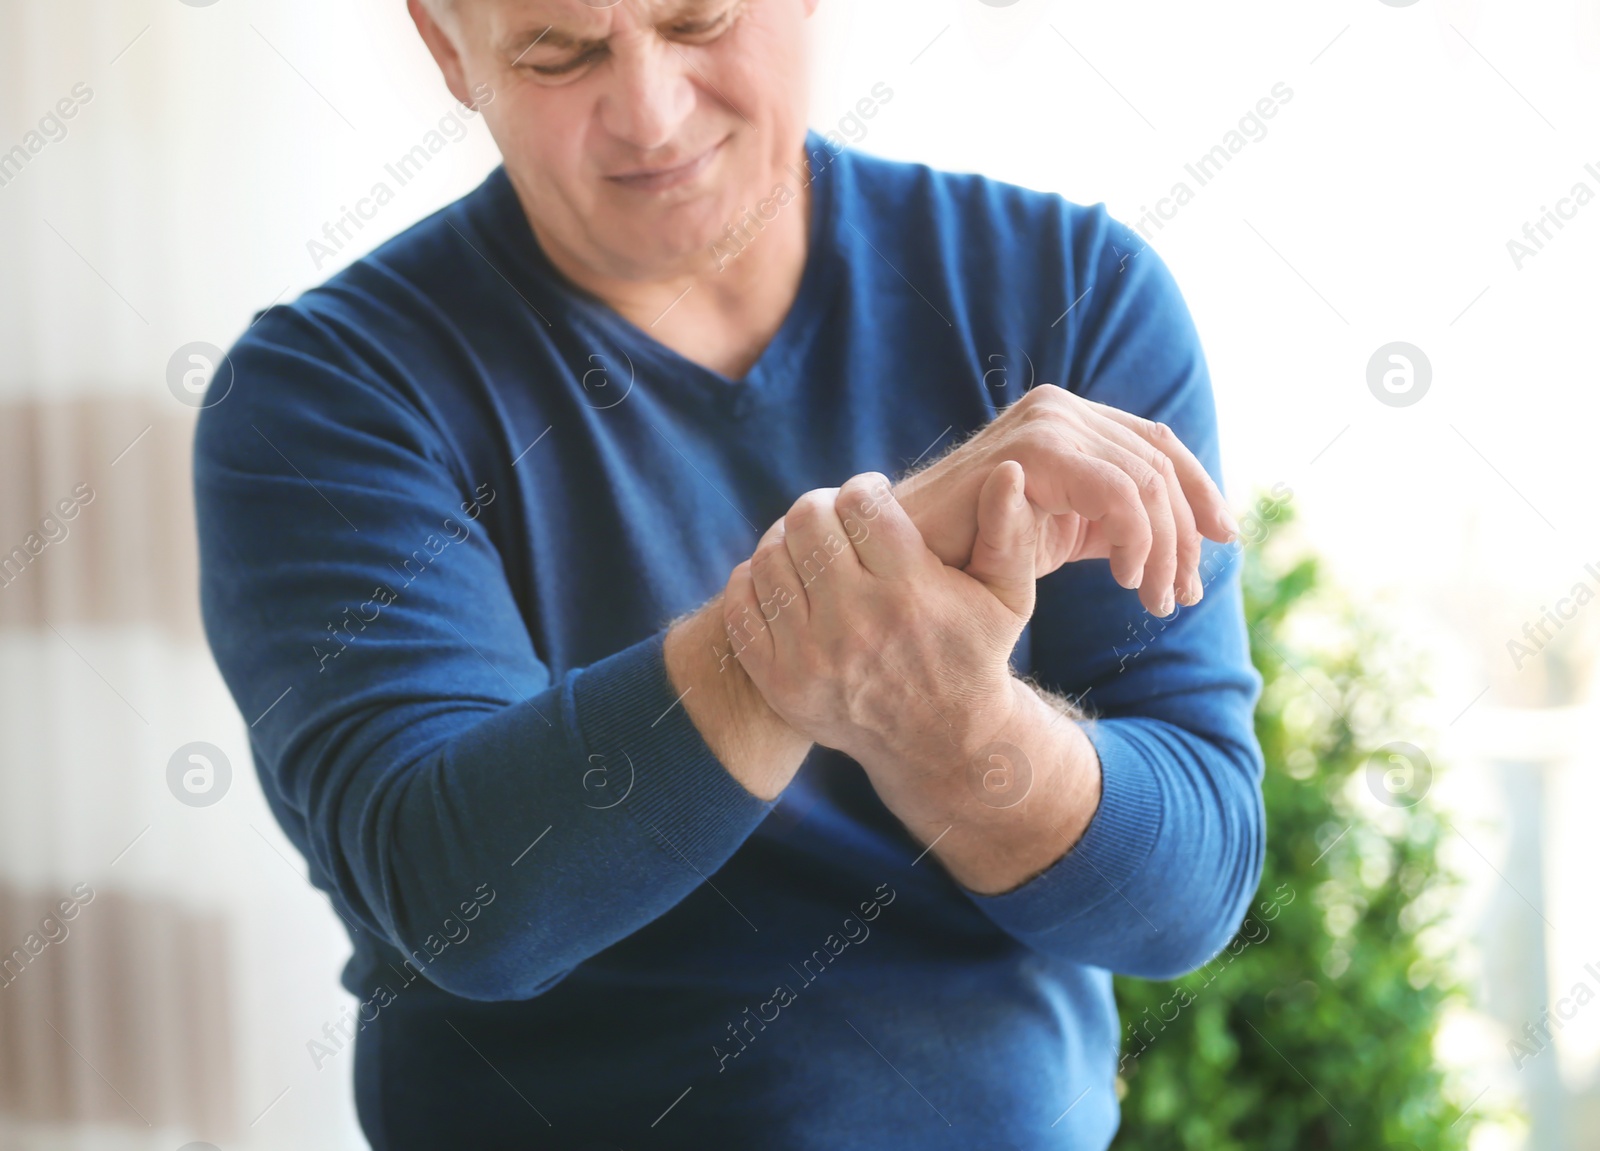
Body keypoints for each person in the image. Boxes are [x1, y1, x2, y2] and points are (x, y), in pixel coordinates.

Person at [193, 1, 1265, 1146]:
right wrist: (836, 603)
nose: (650, 114)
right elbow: (470, 906)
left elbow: (1187, 892)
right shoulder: (327, 394)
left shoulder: (1070, 288)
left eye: (697, 19)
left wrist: (954, 724)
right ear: (447, 47)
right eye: (561, 52)